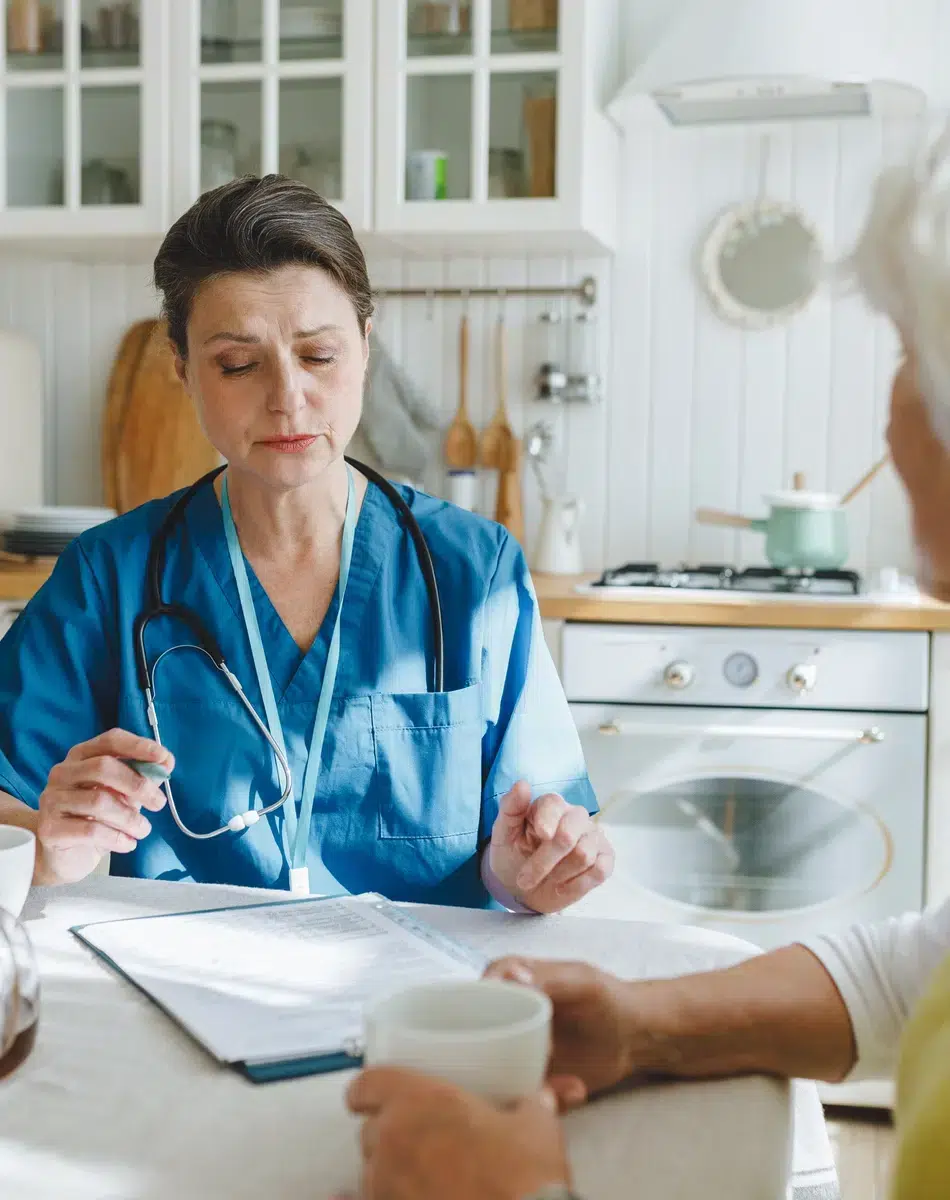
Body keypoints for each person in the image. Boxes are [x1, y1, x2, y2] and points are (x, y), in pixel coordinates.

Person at [341, 347, 950, 1200]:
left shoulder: (470, 562)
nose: (927, 573)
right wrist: (638, 1027)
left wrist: (519, 1189)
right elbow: (908, 978)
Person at [0, 175, 613, 912]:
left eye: (317, 356)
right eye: (237, 363)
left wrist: (528, 874)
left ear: (364, 345)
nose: (287, 397)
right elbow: (13, 810)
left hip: (420, 1006)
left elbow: (527, 850)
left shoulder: (471, 572)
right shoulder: (109, 577)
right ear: (182, 368)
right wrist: (48, 847)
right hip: (186, 985)